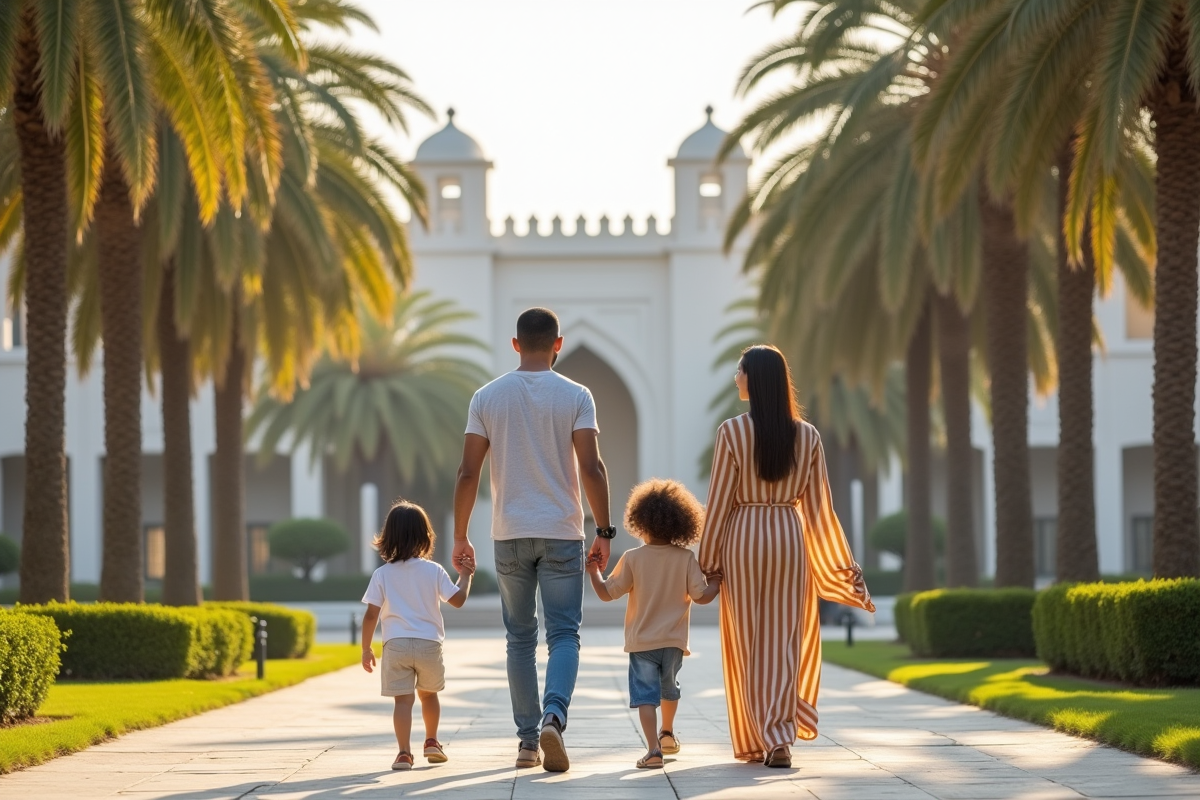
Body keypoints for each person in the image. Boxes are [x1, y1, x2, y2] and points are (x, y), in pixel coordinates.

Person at [451, 307, 614, 773]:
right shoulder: (577, 395)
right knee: (564, 634)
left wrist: (461, 535)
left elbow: (467, 472)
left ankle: (527, 743)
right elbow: (592, 467)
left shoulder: (487, 396)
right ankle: (553, 719)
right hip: (563, 531)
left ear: (516, 344)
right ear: (558, 344)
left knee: (519, 638)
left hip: (509, 534)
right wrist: (603, 532)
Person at [699, 345, 874, 767]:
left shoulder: (732, 432)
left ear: (753, 379)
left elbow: (720, 502)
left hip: (743, 539)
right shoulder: (808, 436)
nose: (736, 379)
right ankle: (779, 737)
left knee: (746, 641)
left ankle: (756, 735)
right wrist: (840, 568)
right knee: (781, 640)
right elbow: (820, 512)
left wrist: (706, 563)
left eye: (739, 371)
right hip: (789, 540)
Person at [586, 479, 721, 769]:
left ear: (640, 522)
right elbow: (702, 597)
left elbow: (606, 593)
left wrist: (594, 571)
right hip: (673, 643)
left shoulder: (633, 558)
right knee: (669, 688)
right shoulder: (686, 558)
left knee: (645, 697)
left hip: (642, 643)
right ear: (679, 524)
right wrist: (716, 581)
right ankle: (668, 733)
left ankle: (653, 750)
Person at [361, 500, 475, 771]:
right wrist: (466, 576)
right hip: (428, 644)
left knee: (403, 701)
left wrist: (366, 648)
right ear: (426, 537)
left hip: (396, 645)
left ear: (387, 538)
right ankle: (432, 741)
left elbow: (370, 616)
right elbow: (457, 600)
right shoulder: (433, 570)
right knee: (429, 695)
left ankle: (403, 753)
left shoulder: (382, 574)